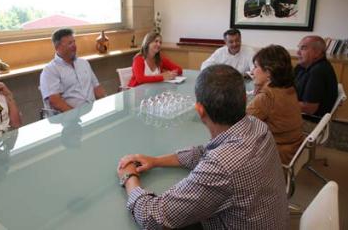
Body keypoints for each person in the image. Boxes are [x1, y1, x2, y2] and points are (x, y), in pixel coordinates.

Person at [117, 65, 289, 229]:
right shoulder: (257, 126)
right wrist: (155, 161)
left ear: (199, 110)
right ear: (244, 98)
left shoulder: (221, 166)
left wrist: (129, 177)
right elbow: (205, 151)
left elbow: (153, 217)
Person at [246, 45, 303, 165]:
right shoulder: (287, 87)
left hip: (278, 153)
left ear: (268, 72)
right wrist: (259, 85)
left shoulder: (266, 96)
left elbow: (240, 125)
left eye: (256, 67)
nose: (252, 71)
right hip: (294, 146)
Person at [40, 28, 106, 113]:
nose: (74, 46)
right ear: (58, 47)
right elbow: (55, 101)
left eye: (74, 42)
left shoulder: (84, 63)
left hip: (92, 113)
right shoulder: (50, 70)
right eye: (70, 43)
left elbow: (97, 88)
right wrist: (75, 115)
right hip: (70, 119)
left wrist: (106, 104)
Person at [294, 36, 338, 120]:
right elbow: (286, 82)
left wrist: (281, 101)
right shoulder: (303, 66)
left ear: (317, 53)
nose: (298, 52)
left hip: (308, 119)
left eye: (303, 48)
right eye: (299, 48)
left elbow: (309, 108)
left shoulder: (318, 72)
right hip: (297, 110)